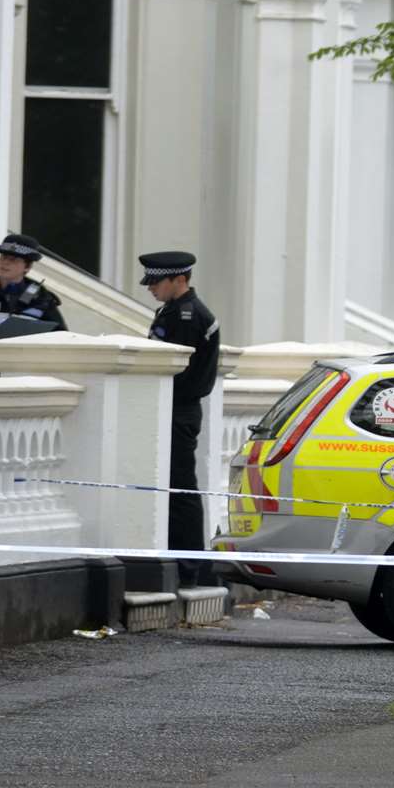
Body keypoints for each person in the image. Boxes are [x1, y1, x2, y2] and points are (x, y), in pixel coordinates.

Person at [142, 250, 221, 588]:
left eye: (157, 282)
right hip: (175, 409)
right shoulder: (175, 311)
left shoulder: (186, 316)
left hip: (179, 409)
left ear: (179, 280)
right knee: (177, 488)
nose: (151, 288)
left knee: (181, 490)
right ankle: (188, 564)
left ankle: (190, 567)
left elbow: (173, 369)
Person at [0, 233, 67, 333]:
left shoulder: (41, 297)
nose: (5, 262)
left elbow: (61, 334)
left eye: (13, 259)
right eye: (3, 257)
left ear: (27, 267)